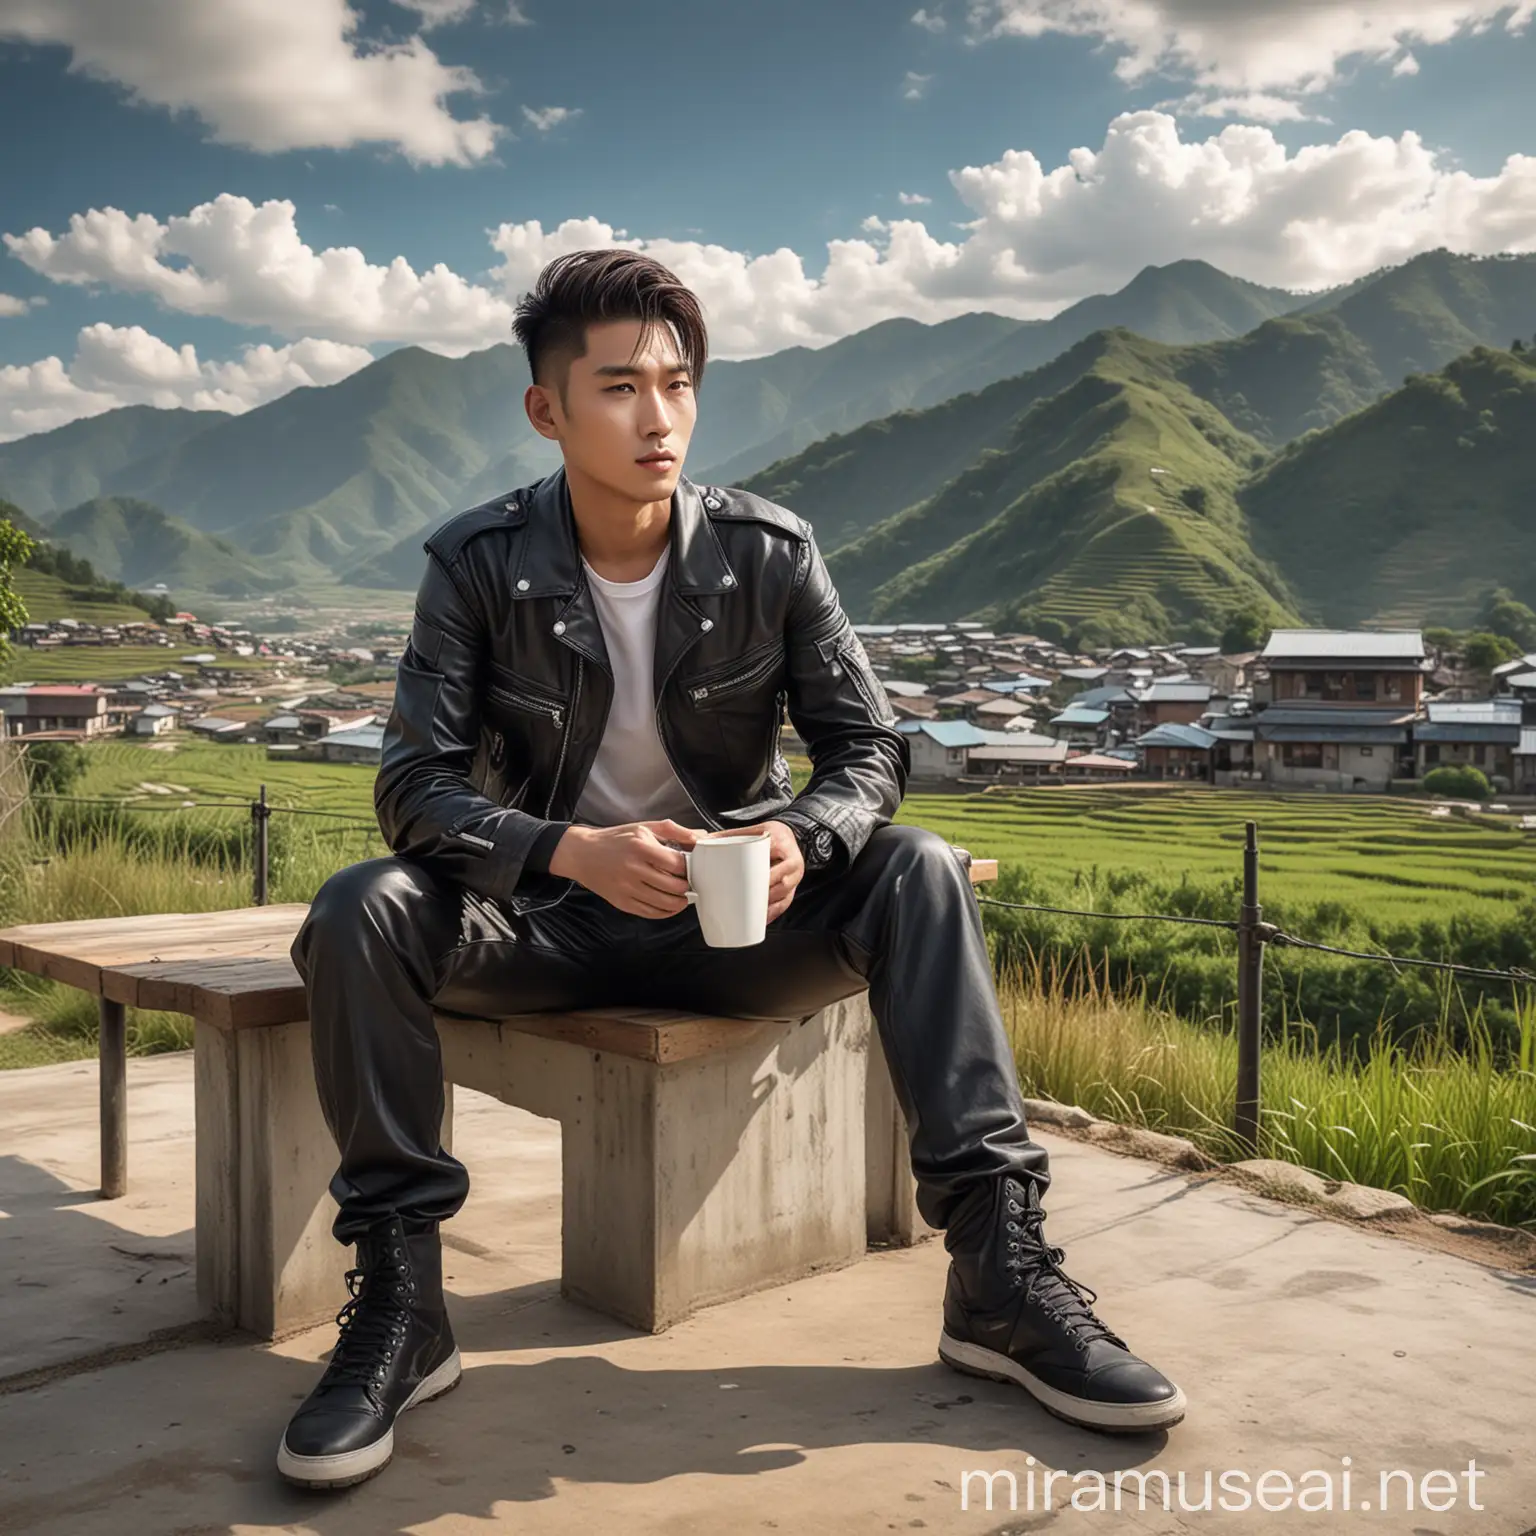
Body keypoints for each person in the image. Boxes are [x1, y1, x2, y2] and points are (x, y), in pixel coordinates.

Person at [278, 249, 1186, 1489]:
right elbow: (412, 789)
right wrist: (568, 851)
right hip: (542, 926)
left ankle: (1000, 1281)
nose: (658, 416)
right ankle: (400, 1305)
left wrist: (795, 842)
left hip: (741, 925)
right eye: (617, 387)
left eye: (678, 382)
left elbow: (870, 749)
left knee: (915, 868)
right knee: (359, 909)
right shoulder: (477, 565)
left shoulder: (770, 551)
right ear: (547, 410)